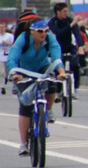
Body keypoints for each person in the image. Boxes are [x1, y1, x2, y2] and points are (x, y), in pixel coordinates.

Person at [7, 17, 66, 155]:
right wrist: (15, 73)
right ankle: (23, 144)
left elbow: (56, 57)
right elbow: (13, 58)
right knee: (25, 107)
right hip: (23, 71)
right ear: (32, 31)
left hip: (42, 68)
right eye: (40, 31)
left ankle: (49, 109)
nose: (43, 34)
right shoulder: (23, 39)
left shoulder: (49, 39)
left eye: (46, 30)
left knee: (52, 83)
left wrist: (61, 72)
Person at [48, 2, 84, 99]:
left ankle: (75, 88)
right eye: (64, 11)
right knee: (58, 69)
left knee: (75, 65)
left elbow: (77, 33)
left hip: (69, 46)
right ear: (58, 12)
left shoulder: (69, 21)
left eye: (66, 11)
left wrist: (80, 47)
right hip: (57, 48)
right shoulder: (52, 22)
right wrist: (71, 25)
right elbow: (59, 33)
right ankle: (58, 91)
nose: (66, 13)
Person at [0, 21, 14, 95]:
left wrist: (7, 43)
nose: (1, 29)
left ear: (5, 28)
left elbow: (14, 45)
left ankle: (11, 83)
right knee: (1, 72)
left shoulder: (10, 36)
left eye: (2, 27)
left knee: (9, 72)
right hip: (0, 56)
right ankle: (2, 87)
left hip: (8, 56)